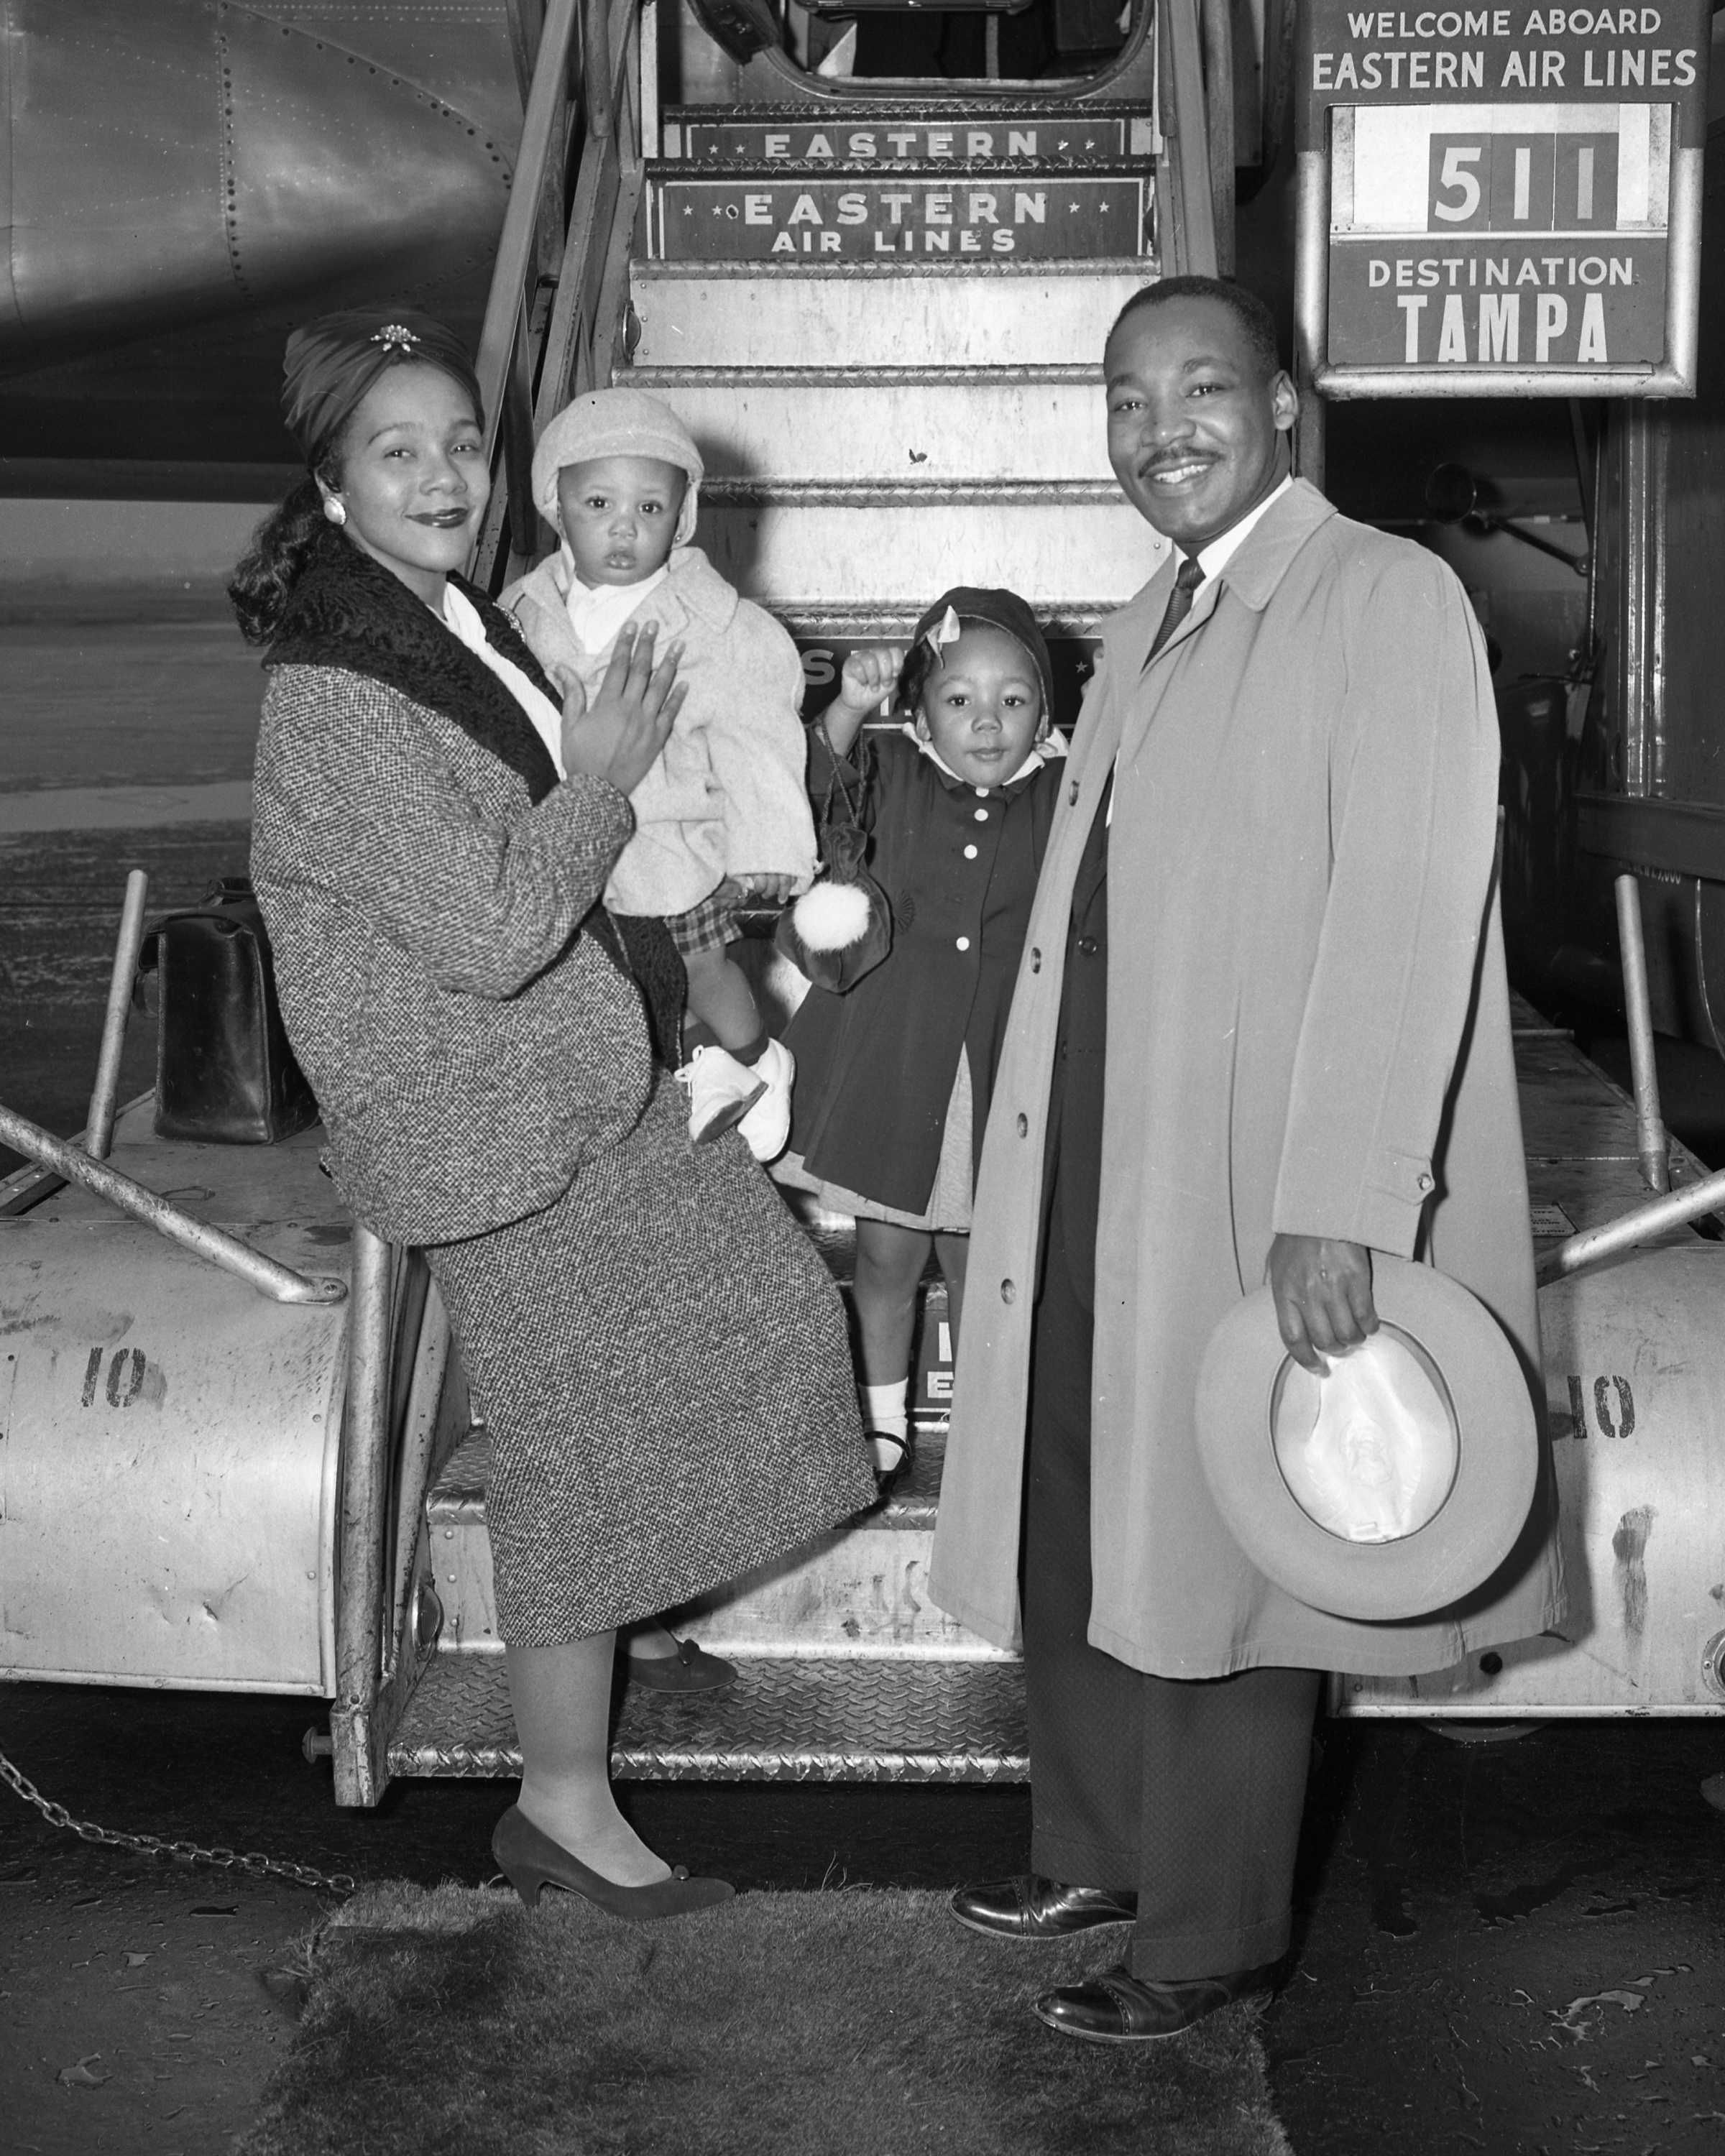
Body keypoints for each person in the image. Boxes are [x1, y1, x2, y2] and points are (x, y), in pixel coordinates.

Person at [928, 276, 1564, 2037]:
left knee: (1230, 1522)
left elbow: (1407, 907)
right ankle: (1098, 1838)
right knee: (1078, 1485)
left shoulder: (1379, 592)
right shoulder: (1148, 610)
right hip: (1100, 1145)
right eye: (1125, 401)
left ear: (1282, 402)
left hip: (1253, 1162)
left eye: (1199, 389)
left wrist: (1341, 1198)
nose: (1159, 431)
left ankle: (1204, 1930)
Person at [239, 309, 874, 1919]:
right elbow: (493, 925)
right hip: (483, 1123)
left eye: (461, 441)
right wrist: (603, 773)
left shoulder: (445, 620)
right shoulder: (338, 689)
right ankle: (566, 1798)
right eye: (400, 451)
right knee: (582, 1453)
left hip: (565, 1082)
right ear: (330, 488)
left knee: (765, 1319)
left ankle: (607, 1631)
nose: (444, 472)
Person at [774, 589, 1065, 1492]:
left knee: (990, 1263)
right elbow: (816, 777)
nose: (987, 722)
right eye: (960, 700)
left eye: (1014, 701)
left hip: (1001, 1074)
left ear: (1046, 714)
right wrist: (851, 707)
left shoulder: (1062, 793)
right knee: (887, 1256)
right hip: (897, 1068)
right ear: (920, 711)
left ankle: (987, 1425)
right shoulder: (890, 773)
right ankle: (883, 1414)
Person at [502, 387, 817, 1159]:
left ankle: (756, 1059)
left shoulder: (714, 622)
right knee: (620, 986)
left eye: (650, 509)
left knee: (699, 964)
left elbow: (758, 730)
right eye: (599, 503)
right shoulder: (522, 610)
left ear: (682, 518)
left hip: (669, 837)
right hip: (572, 844)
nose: (623, 527)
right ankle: (697, 1067)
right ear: (556, 505)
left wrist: (771, 841)